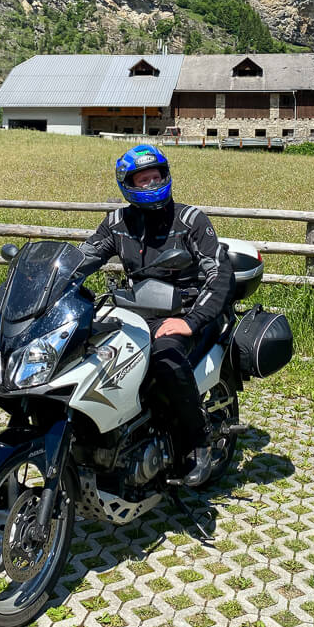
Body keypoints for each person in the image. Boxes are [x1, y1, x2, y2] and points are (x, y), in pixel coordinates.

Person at [78, 144, 234, 486]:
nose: (151, 184)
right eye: (143, 179)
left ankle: (198, 442)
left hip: (185, 313)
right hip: (136, 313)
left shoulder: (190, 220)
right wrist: (50, 279)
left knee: (163, 355)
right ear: (128, 184)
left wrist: (190, 321)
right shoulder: (118, 223)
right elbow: (84, 258)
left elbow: (219, 274)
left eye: (156, 176)